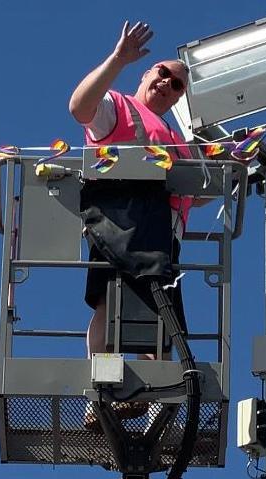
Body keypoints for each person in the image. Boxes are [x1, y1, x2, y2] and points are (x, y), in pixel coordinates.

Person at [68, 21, 194, 362]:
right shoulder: (118, 106)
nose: (168, 82)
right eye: (163, 72)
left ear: (180, 96)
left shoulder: (178, 141)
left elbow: (197, 193)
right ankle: (103, 392)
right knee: (109, 302)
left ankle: (157, 403)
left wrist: (239, 163)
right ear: (146, 74)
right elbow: (80, 107)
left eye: (177, 84)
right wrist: (118, 60)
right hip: (117, 222)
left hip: (163, 236)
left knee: (161, 314)